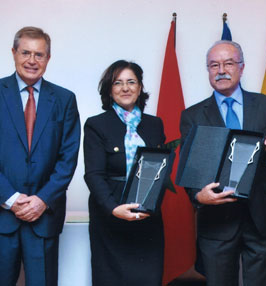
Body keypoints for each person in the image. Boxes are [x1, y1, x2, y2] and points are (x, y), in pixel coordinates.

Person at [0, 26, 80, 286]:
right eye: (26, 52)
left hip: (44, 216)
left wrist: (42, 200)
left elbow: (68, 157)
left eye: (39, 54)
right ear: (13, 53)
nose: (32, 60)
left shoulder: (64, 99)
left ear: (48, 59)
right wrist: (12, 198)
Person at [179, 40, 266, 286]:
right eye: (214, 65)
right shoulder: (192, 115)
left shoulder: (265, 105)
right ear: (208, 71)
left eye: (228, 63)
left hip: (260, 217)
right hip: (216, 221)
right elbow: (190, 168)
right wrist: (198, 197)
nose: (221, 70)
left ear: (241, 67)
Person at [84, 60, 166, 286]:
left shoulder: (155, 124)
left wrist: (151, 203)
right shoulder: (96, 125)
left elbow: (160, 169)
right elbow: (93, 174)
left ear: (140, 88)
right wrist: (113, 208)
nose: (125, 88)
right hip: (110, 218)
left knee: (148, 279)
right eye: (118, 83)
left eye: (131, 82)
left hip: (147, 217)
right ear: (109, 90)